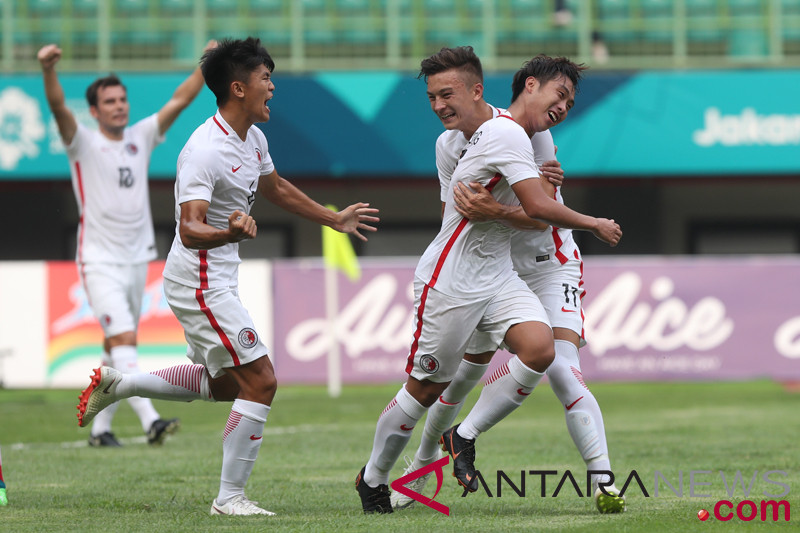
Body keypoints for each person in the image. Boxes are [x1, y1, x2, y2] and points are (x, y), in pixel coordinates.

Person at [76, 37, 379, 517]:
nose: (273, 88)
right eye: (266, 79)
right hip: (197, 279)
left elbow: (273, 187)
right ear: (238, 88)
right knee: (262, 380)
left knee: (224, 386)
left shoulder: (253, 138)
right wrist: (228, 231)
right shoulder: (203, 150)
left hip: (216, 276)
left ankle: (123, 384)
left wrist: (332, 217)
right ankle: (229, 498)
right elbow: (189, 229)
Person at [355, 51, 621, 514]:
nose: (439, 105)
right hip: (457, 281)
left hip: (522, 268)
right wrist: (593, 221)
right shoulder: (461, 142)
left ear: (477, 90)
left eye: (447, 94)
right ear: (529, 86)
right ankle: (381, 475)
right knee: (435, 387)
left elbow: (538, 213)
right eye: (432, 97)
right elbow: (465, 214)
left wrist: (510, 207)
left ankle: (594, 477)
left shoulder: (522, 136)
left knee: (546, 355)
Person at [38, 41, 218, 447]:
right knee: (123, 339)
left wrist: (208, 63)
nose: (119, 106)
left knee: (113, 346)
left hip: (138, 258)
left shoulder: (141, 136)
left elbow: (181, 99)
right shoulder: (81, 142)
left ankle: (100, 431)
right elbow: (58, 109)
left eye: (122, 99)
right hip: (98, 260)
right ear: (95, 110)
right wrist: (49, 71)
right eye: (110, 101)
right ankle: (151, 420)